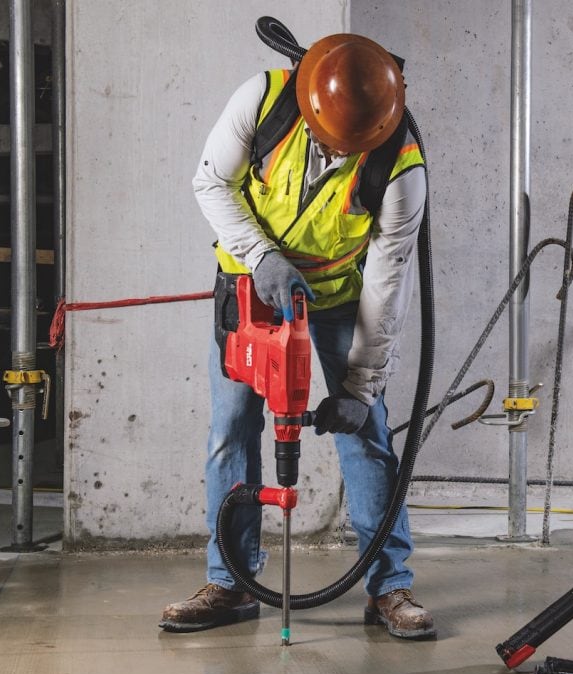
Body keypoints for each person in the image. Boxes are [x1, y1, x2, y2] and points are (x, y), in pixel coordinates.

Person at [160, 33, 433, 640]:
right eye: (328, 140)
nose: (336, 152)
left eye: (349, 147)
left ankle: (389, 587)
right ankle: (231, 582)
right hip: (248, 291)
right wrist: (261, 256)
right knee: (231, 429)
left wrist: (359, 387)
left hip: (336, 301)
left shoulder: (400, 169)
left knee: (366, 432)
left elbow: (388, 284)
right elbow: (211, 182)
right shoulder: (264, 100)